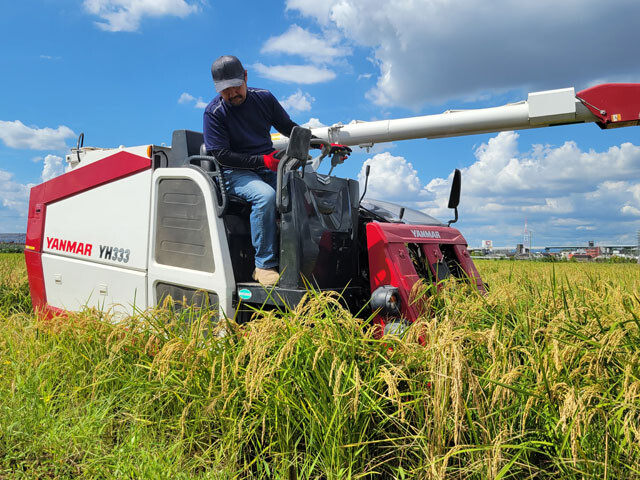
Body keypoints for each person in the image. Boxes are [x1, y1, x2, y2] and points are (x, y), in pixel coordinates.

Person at [203, 55, 350, 286]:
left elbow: (288, 128)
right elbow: (221, 155)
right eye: (225, 90)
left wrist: (320, 143)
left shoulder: (264, 98)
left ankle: (305, 260)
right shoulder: (214, 113)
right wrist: (262, 161)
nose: (231, 94)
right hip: (233, 173)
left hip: (265, 166)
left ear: (245, 77)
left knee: (304, 195)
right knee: (266, 197)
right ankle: (263, 265)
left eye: (235, 87)